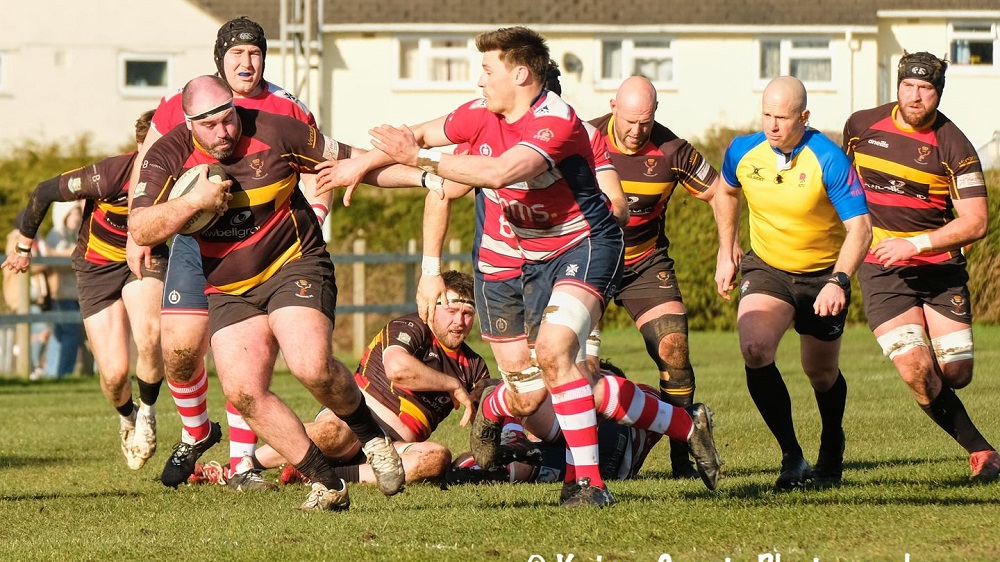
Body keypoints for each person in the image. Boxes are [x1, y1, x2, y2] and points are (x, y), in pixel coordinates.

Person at [314, 26, 720, 507]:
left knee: (559, 357)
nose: (479, 80)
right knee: (531, 396)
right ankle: (674, 423)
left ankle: (586, 483)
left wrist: (421, 159)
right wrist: (358, 167)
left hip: (581, 248)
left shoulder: (565, 125)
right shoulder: (480, 114)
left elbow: (499, 172)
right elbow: (422, 149)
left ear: (523, 75)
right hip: (509, 265)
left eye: (488, 70)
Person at [128, 75, 405, 511]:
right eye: (212, 125)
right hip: (227, 288)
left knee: (311, 366)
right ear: (189, 124)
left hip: (293, 263)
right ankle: (326, 483)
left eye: (230, 118)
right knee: (242, 391)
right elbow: (141, 227)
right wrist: (193, 202)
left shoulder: (276, 129)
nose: (226, 131)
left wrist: (430, 176)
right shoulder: (167, 153)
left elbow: (353, 161)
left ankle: (371, 437)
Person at [130, 16, 331, 490]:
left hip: (263, 246)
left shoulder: (287, 107)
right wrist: (134, 235)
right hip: (194, 239)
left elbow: (321, 165)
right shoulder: (182, 102)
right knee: (177, 348)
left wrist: (317, 214)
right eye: (237, 54)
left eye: (255, 53)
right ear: (219, 60)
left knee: (246, 359)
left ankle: (241, 463)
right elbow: (148, 160)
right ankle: (197, 433)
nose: (247, 62)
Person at [843, 52, 999, 482]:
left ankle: (936, 371)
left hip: (938, 268)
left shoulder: (955, 145)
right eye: (908, 86)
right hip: (881, 269)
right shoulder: (860, 127)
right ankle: (983, 453)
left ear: (938, 93)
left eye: (925, 89)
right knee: (917, 370)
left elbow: (977, 221)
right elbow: (843, 193)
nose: (915, 96)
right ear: (897, 86)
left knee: (955, 374)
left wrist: (914, 244)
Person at [713, 76, 872, 491]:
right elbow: (725, 193)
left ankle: (831, 444)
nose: (772, 125)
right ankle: (791, 455)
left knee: (820, 373)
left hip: (822, 277)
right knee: (755, 348)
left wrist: (839, 281)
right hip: (768, 269)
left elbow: (860, 229)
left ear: (804, 116)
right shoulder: (742, 151)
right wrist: (726, 249)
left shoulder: (829, 159)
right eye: (766, 114)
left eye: (782, 117)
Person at [196, 271, 493, 488]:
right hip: (352, 422)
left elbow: (489, 420)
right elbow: (397, 368)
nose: (460, 322)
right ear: (433, 307)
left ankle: (319, 474)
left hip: (395, 447)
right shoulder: (413, 326)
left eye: (468, 314)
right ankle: (238, 467)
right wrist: (452, 385)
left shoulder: (475, 366)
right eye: (452, 311)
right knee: (335, 433)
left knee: (436, 458)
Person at [1, 110, 167, 470]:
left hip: (145, 260)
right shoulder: (108, 174)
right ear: (139, 146)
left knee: (150, 334)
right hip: (97, 268)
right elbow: (44, 190)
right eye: (151, 149)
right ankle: (127, 416)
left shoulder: (177, 177)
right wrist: (24, 247)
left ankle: (149, 413)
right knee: (114, 374)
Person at [588, 75, 734, 479]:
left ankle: (682, 456)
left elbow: (720, 191)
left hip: (644, 263)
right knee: (581, 363)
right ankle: (574, 460)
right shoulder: (583, 138)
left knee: (674, 348)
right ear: (613, 105)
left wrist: (726, 250)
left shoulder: (672, 150)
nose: (637, 132)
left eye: (646, 123)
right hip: (588, 263)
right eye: (630, 121)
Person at [447, 361, 662, 486]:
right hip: (602, 468)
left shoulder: (609, 390)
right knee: (519, 466)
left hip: (603, 433)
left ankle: (510, 434)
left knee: (515, 391)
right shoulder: (643, 403)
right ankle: (472, 471)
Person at [43, 201, 85, 378]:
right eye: (72, 214)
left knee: (60, 334)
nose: (76, 218)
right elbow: (53, 257)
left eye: (77, 214)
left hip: (74, 293)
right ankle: (63, 373)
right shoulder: (56, 235)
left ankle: (52, 374)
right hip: (61, 294)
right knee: (70, 334)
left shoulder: (74, 236)